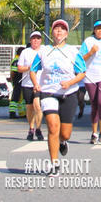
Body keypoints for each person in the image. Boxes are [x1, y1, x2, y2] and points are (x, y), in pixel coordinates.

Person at [29, 19, 86, 172]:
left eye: (62, 29)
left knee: (65, 133)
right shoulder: (44, 51)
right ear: (52, 33)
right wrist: (36, 83)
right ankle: (54, 163)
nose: (59, 31)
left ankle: (63, 142)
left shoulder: (73, 51)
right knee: (53, 127)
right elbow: (33, 70)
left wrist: (70, 82)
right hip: (48, 93)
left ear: (66, 34)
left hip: (69, 93)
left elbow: (82, 73)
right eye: (56, 29)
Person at [17, 31, 44, 140]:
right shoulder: (25, 52)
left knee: (37, 106)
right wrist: (29, 67)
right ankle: (31, 128)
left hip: (39, 84)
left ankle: (38, 128)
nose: (36, 40)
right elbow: (19, 68)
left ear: (41, 40)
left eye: (38, 38)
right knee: (29, 107)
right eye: (33, 38)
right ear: (30, 40)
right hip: (27, 83)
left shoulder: (44, 51)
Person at [8, 46, 25, 119]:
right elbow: (13, 72)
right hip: (17, 81)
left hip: (19, 81)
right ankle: (12, 113)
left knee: (20, 97)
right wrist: (13, 80)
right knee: (15, 97)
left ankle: (22, 113)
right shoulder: (17, 60)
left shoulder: (18, 59)